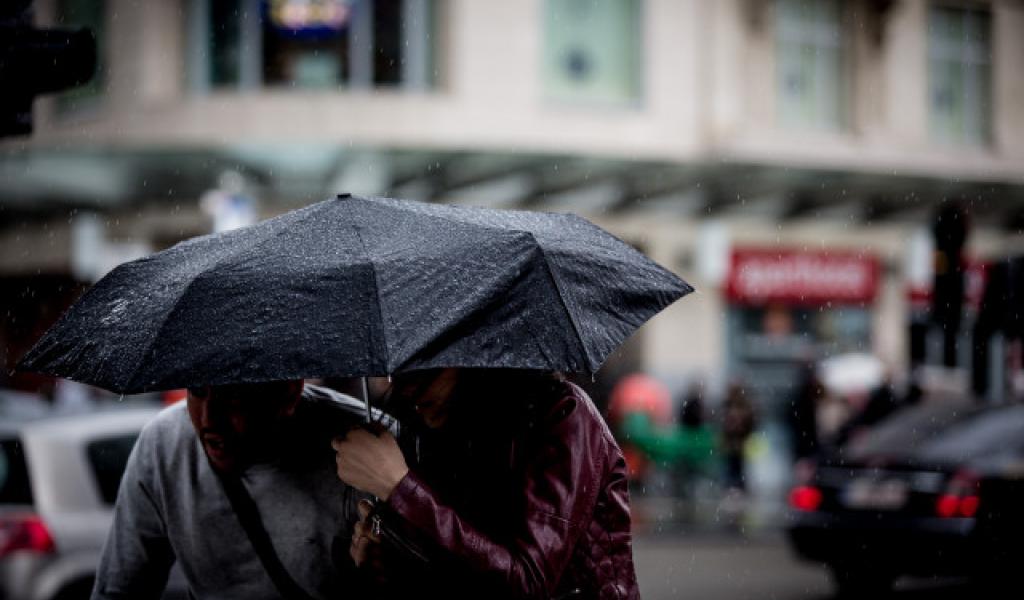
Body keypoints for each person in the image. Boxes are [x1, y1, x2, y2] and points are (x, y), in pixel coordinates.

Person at [331, 368, 640, 599]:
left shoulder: (562, 414)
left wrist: (399, 487)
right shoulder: (436, 434)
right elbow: (456, 571)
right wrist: (379, 562)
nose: (407, 389)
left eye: (423, 368)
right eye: (397, 370)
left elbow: (528, 583)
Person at [92, 380, 377, 600]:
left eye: (232, 396)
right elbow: (119, 589)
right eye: (197, 391)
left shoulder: (370, 452)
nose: (208, 420)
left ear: (289, 393)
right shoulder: (163, 446)